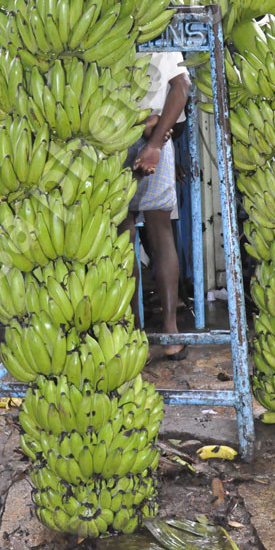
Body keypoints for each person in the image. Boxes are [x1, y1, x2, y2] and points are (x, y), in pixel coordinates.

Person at [119, 52, 191, 360]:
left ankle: (135, 332)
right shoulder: (158, 28)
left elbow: (181, 86)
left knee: (124, 238)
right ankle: (169, 333)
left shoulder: (107, 20)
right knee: (155, 235)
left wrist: (152, 142)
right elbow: (182, 85)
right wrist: (153, 136)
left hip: (123, 137)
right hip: (143, 135)